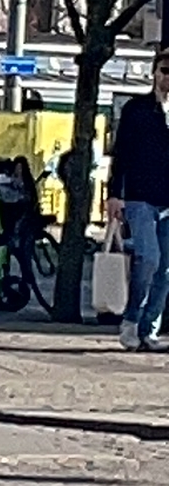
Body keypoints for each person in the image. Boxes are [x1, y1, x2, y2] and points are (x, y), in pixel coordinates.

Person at [108, 47, 169, 353]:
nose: (168, 78)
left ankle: (149, 329)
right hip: (140, 196)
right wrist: (115, 194)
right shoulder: (137, 109)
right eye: (164, 70)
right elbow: (122, 153)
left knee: (166, 269)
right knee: (149, 258)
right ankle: (131, 320)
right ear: (154, 73)